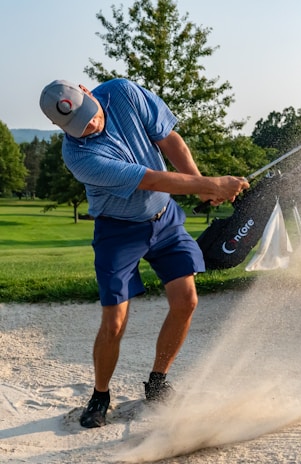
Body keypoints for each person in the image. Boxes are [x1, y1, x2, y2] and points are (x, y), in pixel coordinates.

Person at [39, 78, 249, 428]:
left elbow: (168, 139)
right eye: (77, 125)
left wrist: (198, 182)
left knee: (186, 301)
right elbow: (150, 179)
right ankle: (101, 394)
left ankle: (157, 382)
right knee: (114, 321)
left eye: (89, 113)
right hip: (118, 231)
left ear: (87, 90)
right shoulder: (78, 156)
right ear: (59, 126)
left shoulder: (123, 92)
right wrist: (210, 185)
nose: (90, 124)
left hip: (164, 219)